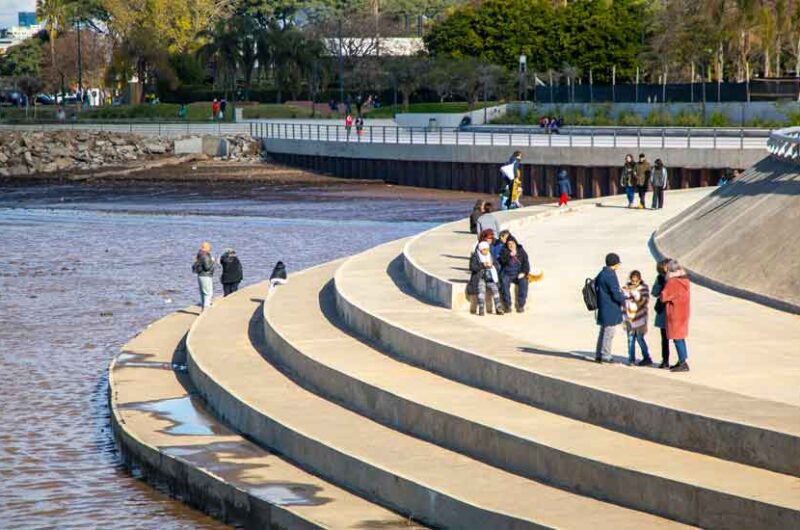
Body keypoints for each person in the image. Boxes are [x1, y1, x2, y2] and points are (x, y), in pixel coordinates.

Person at [659, 260, 691, 372]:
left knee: (677, 338)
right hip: (684, 312)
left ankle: (683, 362)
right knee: (681, 338)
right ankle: (682, 359)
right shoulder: (685, 281)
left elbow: (664, 296)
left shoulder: (672, 282)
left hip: (675, 313)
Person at [594, 253, 626, 363]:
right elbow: (615, 293)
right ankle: (606, 355)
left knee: (603, 332)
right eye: (618, 264)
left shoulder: (602, 273)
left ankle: (599, 354)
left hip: (603, 306)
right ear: (614, 264)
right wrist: (624, 299)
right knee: (609, 333)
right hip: (610, 308)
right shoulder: (611, 275)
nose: (618, 266)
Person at [622, 270, 652, 366]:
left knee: (640, 338)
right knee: (630, 339)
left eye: (636, 281)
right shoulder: (626, 288)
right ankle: (631, 359)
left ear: (639, 280)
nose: (634, 283)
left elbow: (644, 301)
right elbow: (623, 303)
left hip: (640, 318)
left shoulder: (644, 288)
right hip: (629, 319)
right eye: (633, 281)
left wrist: (635, 293)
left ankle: (647, 357)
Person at [468, 241, 503, 316]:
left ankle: (498, 307)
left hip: (490, 277)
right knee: (481, 290)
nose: (486, 251)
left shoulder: (490, 256)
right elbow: (472, 267)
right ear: (480, 250)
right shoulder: (475, 257)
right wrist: (482, 265)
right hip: (480, 277)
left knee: (495, 289)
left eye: (487, 249)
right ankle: (481, 308)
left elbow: (497, 266)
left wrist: (492, 266)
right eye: (484, 250)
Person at [498, 238, 530, 313]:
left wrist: (524, 272)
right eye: (509, 244)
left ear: (515, 243)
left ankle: (521, 305)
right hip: (507, 273)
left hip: (518, 273)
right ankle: (507, 305)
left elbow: (526, 263)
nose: (511, 245)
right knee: (504, 283)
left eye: (512, 243)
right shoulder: (504, 251)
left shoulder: (521, 251)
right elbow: (501, 261)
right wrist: (509, 256)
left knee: (524, 282)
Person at [650, 258, 671, 368]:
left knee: (672, 338)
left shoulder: (674, 279)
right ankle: (666, 360)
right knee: (667, 338)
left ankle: (675, 361)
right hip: (664, 311)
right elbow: (654, 292)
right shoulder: (660, 279)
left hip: (670, 310)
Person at [192, 242, 215, 311]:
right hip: (206, 275)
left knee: (203, 293)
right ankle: (206, 309)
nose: (210, 249)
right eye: (209, 248)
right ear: (207, 248)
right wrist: (212, 261)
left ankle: (203, 308)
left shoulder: (199, 254)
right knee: (208, 293)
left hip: (200, 275)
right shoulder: (205, 255)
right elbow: (207, 267)